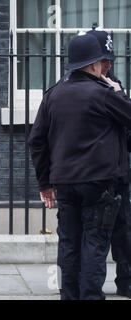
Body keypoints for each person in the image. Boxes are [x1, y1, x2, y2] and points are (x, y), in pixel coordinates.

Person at [29, 33, 131, 300]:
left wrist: (45, 184)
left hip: (64, 183)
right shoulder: (104, 95)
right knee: (94, 243)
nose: (107, 67)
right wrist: (120, 94)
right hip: (99, 183)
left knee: (69, 245)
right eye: (103, 62)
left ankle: (68, 295)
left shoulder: (53, 95)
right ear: (93, 64)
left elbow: (36, 141)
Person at [86, 27, 131, 298]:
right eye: (104, 59)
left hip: (119, 170)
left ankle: (126, 280)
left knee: (124, 230)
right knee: (91, 234)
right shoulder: (78, 85)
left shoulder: (114, 84)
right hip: (95, 172)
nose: (108, 64)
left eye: (110, 59)